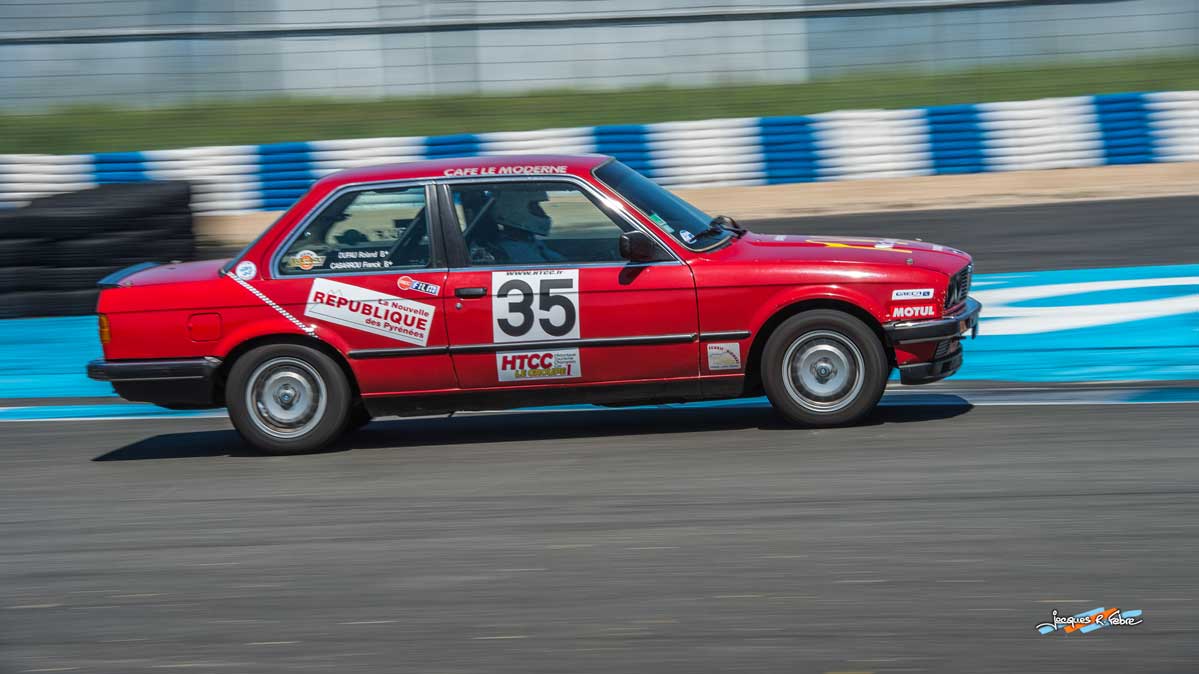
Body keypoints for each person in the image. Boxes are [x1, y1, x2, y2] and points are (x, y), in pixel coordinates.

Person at [489, 189, 565, 263]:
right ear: (514, 210)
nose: (542, 212)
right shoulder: (515, 250)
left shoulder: (528, 242)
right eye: (535, 207)